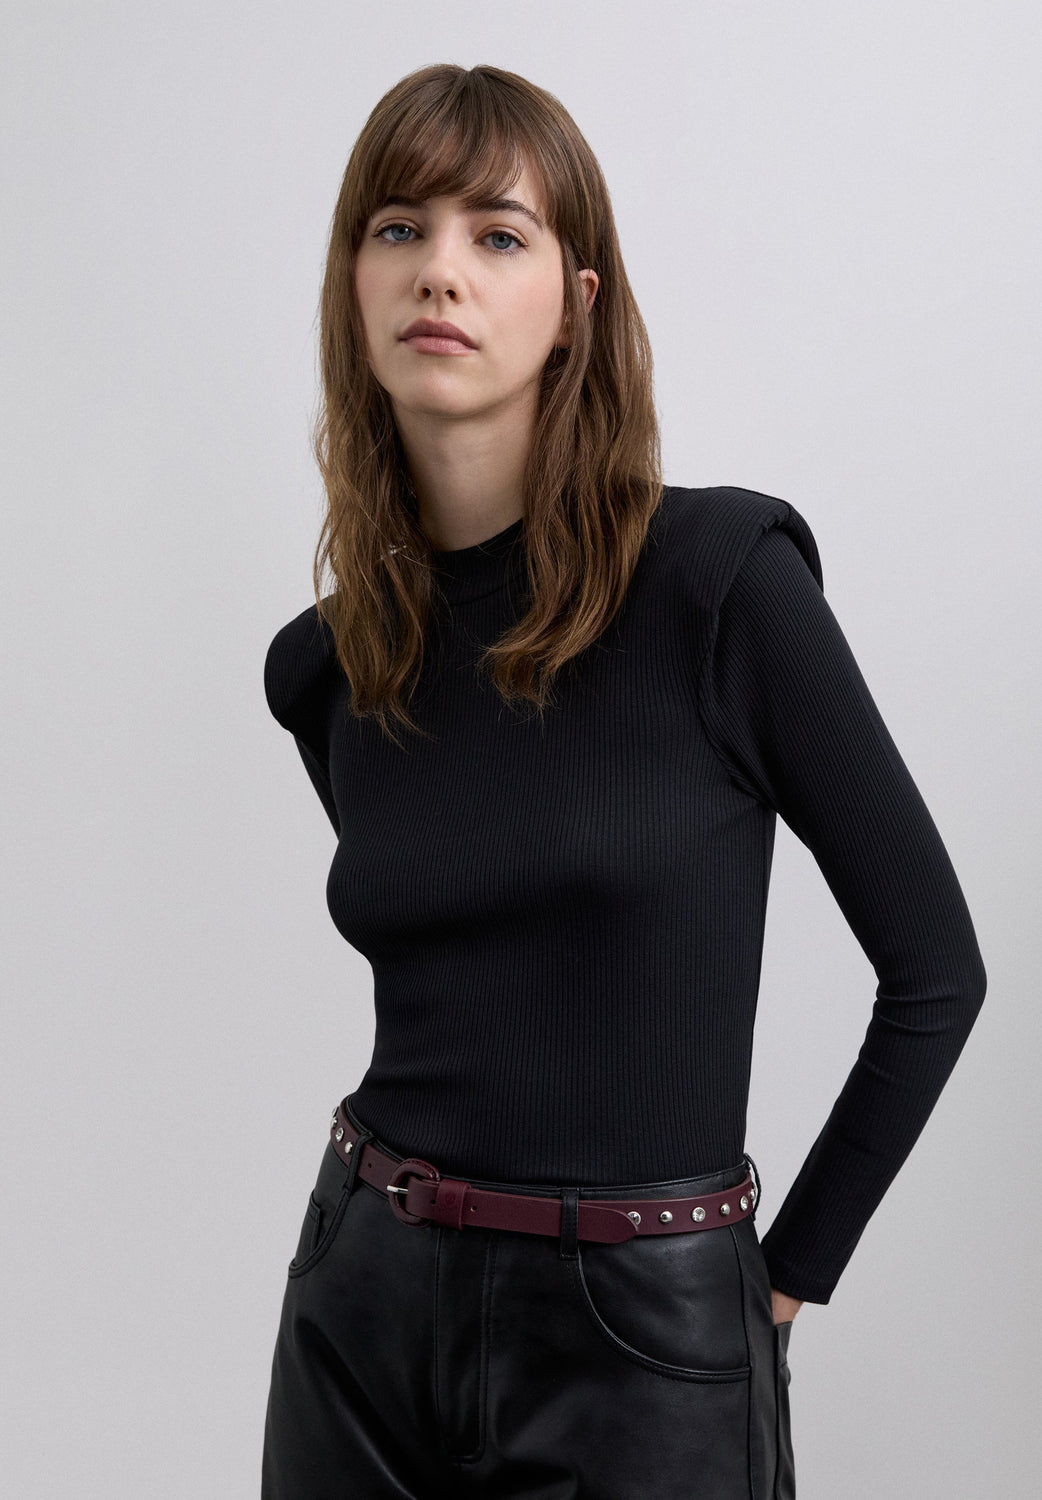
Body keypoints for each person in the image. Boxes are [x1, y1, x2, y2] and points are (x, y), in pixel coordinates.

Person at [259, 62, 986, 1499]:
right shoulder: (329, 664)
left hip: (641, 1335)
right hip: (361, 1304)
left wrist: (775, 1284)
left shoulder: (722, 589)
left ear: (574, 304)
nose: (440, 271)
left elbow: (935, 972)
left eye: (498, 234)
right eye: (398, 229)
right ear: (352, 283)